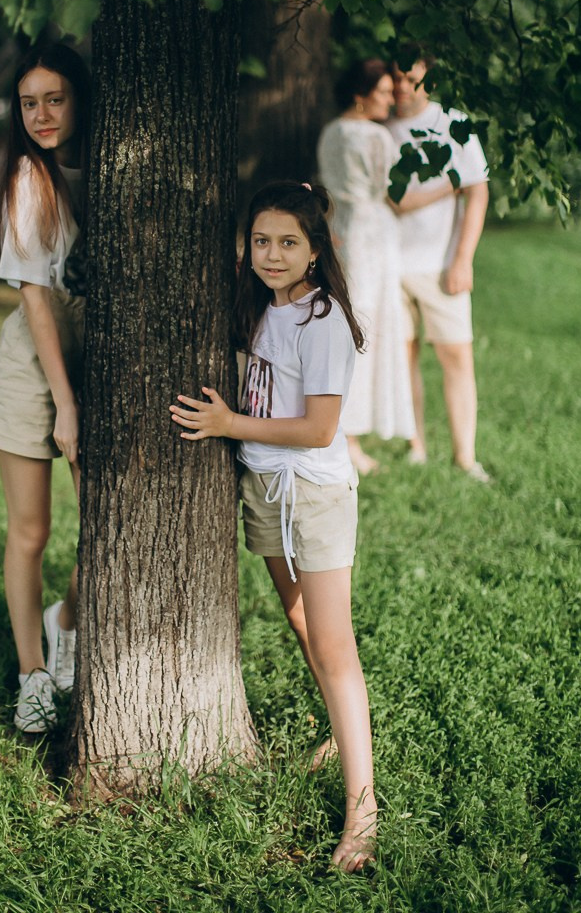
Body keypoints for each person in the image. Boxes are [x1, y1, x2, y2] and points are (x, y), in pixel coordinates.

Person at [170, 181, 377, 873]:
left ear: (316, 250)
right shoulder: (259, 305)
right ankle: (337, 739)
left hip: (312, 496)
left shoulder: (323, 321)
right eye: (262, 240)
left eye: (290, 242)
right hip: (265, 488)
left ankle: (363, 812)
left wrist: (229, 424)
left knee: (333, 643)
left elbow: (320, 430)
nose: (273, 253)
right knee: (298, 622)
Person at [0, 42, 89, 731]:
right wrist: (66, 405)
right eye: (28, 102)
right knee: (31, 530)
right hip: (33, 369)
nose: (41, 114)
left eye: (55, 98)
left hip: (90, 364)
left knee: (103, 521)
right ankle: (33, 674)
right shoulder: (28, 177)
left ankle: (67, 621)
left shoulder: (104, 169)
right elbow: (37, 302)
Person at [318, 59, 454, 475]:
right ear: (360, 97)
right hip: (373, 237)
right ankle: (350, 438)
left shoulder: (330, 133)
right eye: (380, 92)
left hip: (342, 228)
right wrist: (452, 183)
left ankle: (344, 431)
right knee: (367, 331)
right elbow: (400, 198)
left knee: (347, 324)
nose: (389, 99)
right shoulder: (375, 137)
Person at [388, 52, 490, 480]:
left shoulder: (453, 123)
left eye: (411, 80)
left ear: (429, 80)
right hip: (390, 266)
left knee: (456, 357)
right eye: (395, 81)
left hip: (440, 265)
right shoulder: (380, 127)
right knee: (403, 357)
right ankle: (417, 446)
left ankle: (465, 457)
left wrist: (463, 259)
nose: (402, 89)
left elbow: (478, 191)